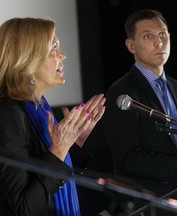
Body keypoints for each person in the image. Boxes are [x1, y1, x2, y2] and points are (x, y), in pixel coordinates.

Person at [102, 9, 177, 215]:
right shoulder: (121, 92)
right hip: (144, 204)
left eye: (163, 34)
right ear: (131, 46)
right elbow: (129, 158)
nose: (159, 42)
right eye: (148, 36)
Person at [0, 17, 106, 216]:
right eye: (53, 48)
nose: (63, 55)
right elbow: (24, 208)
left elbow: (43, 165)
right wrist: (59, 150)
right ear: (27, 59)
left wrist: (73, 142)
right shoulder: (8, 115)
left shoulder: (39, 106)